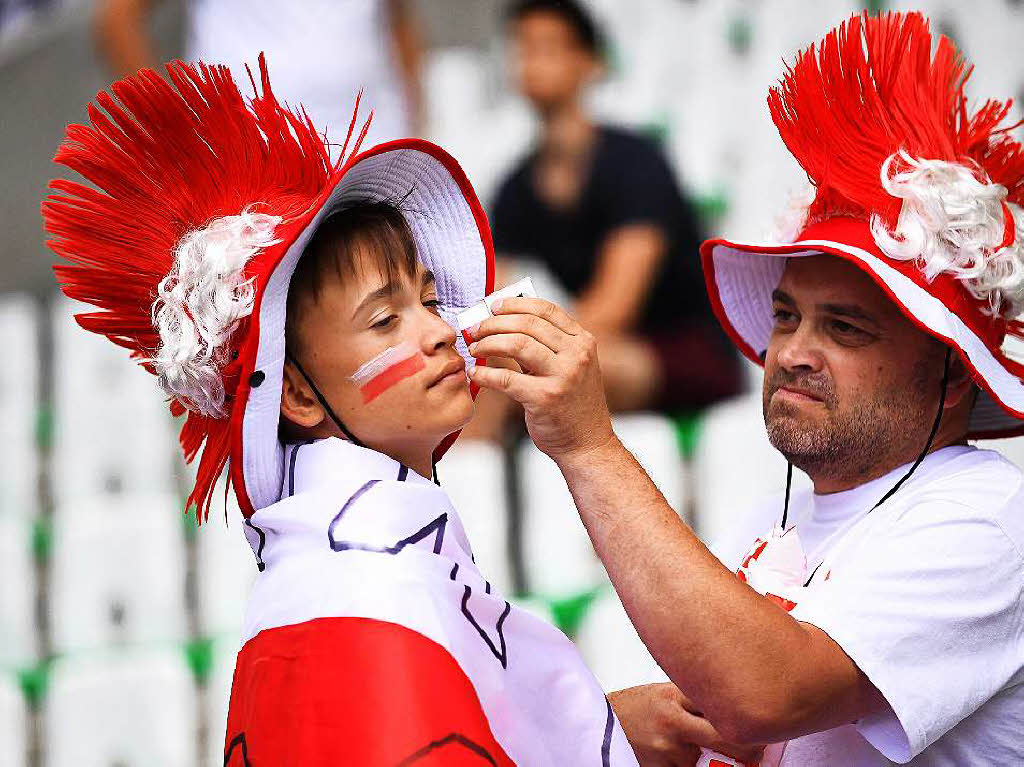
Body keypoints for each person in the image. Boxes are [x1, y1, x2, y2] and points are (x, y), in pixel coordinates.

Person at [41, 55, 675, 765]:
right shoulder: (365, 583)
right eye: (385, 320)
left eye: (431, 300)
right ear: (298, 393)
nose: (440, 330)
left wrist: (608, 725)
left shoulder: (335, 568)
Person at [466, 11, 1024, 765]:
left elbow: (762, 693)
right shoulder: (766, 523)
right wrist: (619, 726)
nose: (792, 351)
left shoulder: (992, 516)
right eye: (786, 316)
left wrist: (588, 444)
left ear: (952, 374)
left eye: (846, 328)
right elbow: (734, 730)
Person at [465, 0, 741, 440]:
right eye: (523, 48)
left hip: (683, 350)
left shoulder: (634, 161)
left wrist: (513, 349)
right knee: (486, 372)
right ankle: (456, 496)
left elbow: (615, 308)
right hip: (600, 347)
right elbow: (488, 299)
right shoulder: (515, 186)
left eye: (548, 46)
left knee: (524, 369)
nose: (532, 61)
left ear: (589, 62)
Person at [94, 0, 423, 145]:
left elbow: (399, 22)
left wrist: (417, 130)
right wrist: (174, 137)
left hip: (376, 154)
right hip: (252, 177)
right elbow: (118, 21)